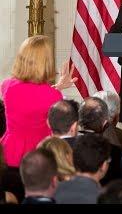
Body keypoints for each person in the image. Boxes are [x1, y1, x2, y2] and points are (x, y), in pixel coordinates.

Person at [0, 35, 77, 167]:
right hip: (39, 156)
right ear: (47, 62)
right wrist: (57, 89)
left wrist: (56, 87)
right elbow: (40, 97)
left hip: (8, 153)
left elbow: (29, 97)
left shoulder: (6, 86)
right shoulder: (53, 96)